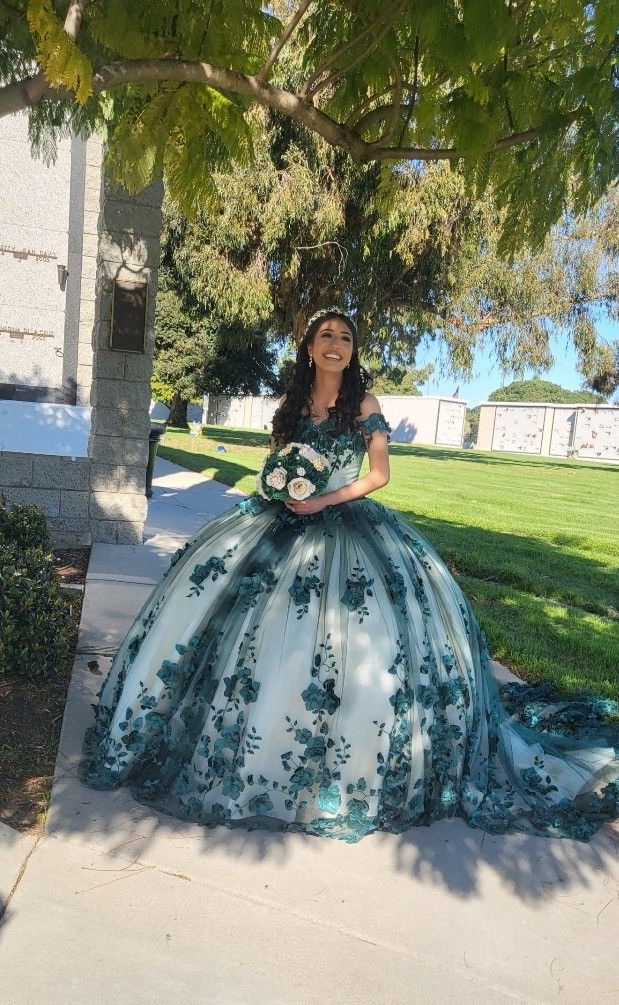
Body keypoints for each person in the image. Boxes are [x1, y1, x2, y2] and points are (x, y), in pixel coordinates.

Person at [79, 310, 618, 842]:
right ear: (309, 347)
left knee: (358, 636)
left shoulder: (365, 404)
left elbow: (380, 474)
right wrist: (278, 490)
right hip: (280, 520)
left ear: (352, 350)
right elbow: (276, 464)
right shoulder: (291, 404)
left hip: (349, 524)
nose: (335, 344)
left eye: (344, 338)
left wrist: (323, 500)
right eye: (325, 336)